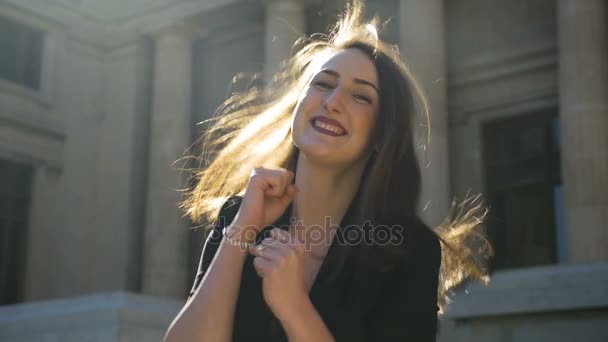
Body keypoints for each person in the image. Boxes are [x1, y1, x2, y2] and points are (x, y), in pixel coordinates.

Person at [165, 1, 491, 341]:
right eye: (323, 84)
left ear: (382, 134)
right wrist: (241, 230)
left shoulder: (409, 249)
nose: (332, 101)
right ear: (298, 107)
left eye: (361, 97)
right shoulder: (240, 215)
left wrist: (294, 307)